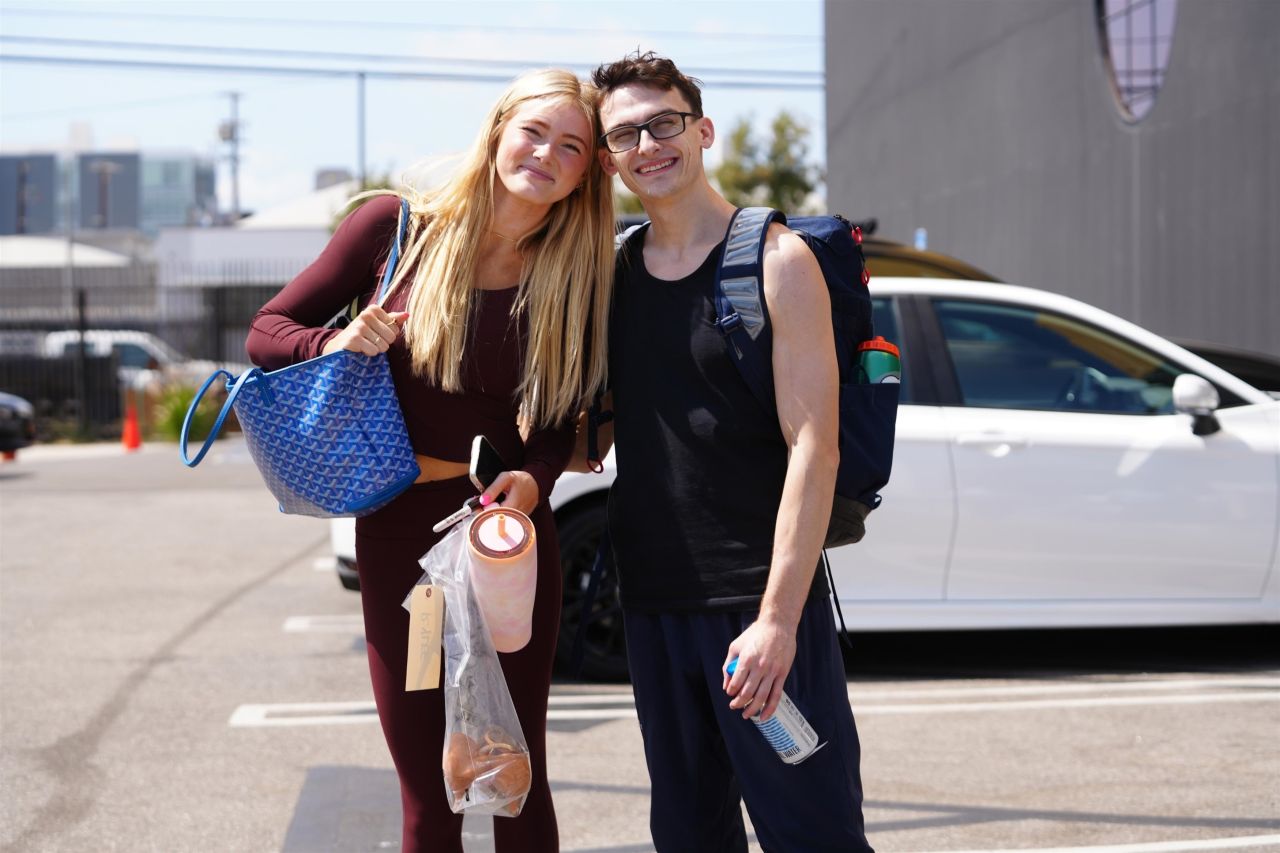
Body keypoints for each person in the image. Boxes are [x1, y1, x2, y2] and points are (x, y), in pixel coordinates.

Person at [246, 69, 614, 853]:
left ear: (586, 172)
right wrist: (334, 340)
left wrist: (536, 478)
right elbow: (267, 330)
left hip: (504, 537)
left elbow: (557, 422)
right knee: (427, 789)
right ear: (498, 130)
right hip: (397, 532)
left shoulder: (572, 273)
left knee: (514, 778)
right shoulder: (395, 229)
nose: (546, 153)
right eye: (534, 131)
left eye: (571, 146)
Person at [585, 52, 875, 851]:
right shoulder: (612, 274)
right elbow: (600, 429)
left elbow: (815, 447)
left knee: (811, 829)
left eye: (664, 122)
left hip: (756, 611)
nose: (648, 144)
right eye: (625, 135)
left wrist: (777, 622)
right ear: (609, 158)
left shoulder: (778, 262)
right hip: (651, 606)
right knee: (689, 833)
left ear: (702, 129)